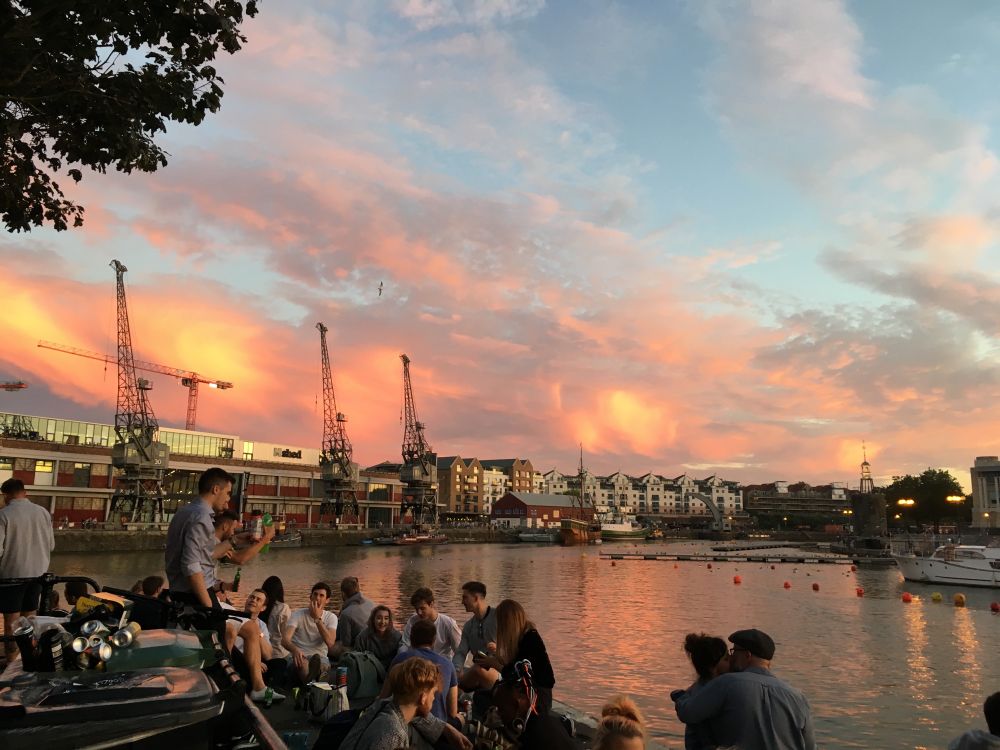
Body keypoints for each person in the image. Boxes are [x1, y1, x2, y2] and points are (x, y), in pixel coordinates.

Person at [673, 628, 816, 750]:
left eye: (734, 651)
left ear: (747, 655)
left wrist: (682, 696)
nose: (731, 656)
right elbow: (810, 746)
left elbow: (687, 713)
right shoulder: (798, 697)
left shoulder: (727, 683)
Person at [339, 657, 471, 750]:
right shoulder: (393, 735)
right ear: (423, 697)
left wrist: (448, 729)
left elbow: (419, 719)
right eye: (433, 693)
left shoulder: (388, 706)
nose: (434, 699)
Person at [164, 467, 237, 608]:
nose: (228, 499)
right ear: (216, 490)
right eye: (227, 493)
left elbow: (206, 554)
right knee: (219, 627)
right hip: (194, 593)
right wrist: (208, 605)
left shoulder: (184, 511)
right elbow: (191, 564)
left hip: (178, 590)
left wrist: (235, 540)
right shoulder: (201, 517)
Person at [0, 478, 55, 658]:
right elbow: (51, 545)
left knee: (11, 622)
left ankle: (10, 662)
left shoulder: (4, 515)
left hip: (11, 576)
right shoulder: (43, 513)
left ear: (6, 496)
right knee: (30, 618)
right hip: (38, 575)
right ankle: (28, 659)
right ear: (25, 493)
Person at [475, 599, 555, 716]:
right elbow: (515, 666)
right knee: (481, 695)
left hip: (535, 700)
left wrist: (493, 663)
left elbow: (514, 674)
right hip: (526, 695)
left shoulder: (530, 640)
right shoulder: (525, 637)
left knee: (481, 699)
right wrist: (498, 656)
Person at [385, 618, 460, 725]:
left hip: (404, 722)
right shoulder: (448, 664)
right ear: (434, 640)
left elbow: (384, 695)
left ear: (411, 638)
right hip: (437, 728)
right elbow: (453, 712)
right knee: (459, 719)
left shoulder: (399, 659)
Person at [491, 660, 573, 750]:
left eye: (501, 709)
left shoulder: (533, 736)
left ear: (519, 701)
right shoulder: (549, 721)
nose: (499, 714)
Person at [225, 588, 286, 704]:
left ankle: (267, 689)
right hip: (238, 660)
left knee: (280, 663)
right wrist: (256, 663)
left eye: (258, 599)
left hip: (256, 663)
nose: (253, 600)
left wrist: (257, 632)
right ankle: (267, 689)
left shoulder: (262, 625)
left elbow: (268, 654)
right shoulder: (234, 616)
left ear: (263, 608)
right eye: (251, 597)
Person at [670, 633, 729, 750]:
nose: (731, 661)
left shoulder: (700, 688)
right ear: (712, 667)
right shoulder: (706, 693)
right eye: (726, 659)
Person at [282, 581, 338, 684]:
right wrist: (294, 650)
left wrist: (317, 619)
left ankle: (309, 684)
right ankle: (313, 685)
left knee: (321, 665)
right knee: (303, 664)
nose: (317, 598)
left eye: (321, 596)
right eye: (315, 594)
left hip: (320, 657)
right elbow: (285, 640)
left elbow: (330, 642)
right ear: (310, 597)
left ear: (327, 600)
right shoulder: (297, 615)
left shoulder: (331, 617)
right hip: (299, 657)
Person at [453, 581, 498, 691]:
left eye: (465, 597)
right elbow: (461, 652)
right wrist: (455, 670)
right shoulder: (468, 626)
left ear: (476, 598)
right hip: (477, 672)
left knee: (477, 669)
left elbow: (512, 644)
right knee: (449, 674)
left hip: (499, 671)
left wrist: (498, 648)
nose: (462, 602)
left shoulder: (498, 616)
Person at [402, 587, 461, 661]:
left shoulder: (448, 623)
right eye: (416, 609)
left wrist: (456, 668)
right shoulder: (412, 621)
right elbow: (404, 644)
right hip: (419, 664)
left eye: (422, 608)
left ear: (431, 604)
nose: (419, 612)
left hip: (441, 664)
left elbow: (460, 651)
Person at [355, 605, 403, 672]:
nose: (382, 622)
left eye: (386, 618)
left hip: (390, 671)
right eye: (379, 618)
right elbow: (358, 658)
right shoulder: (362, 637)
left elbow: (398, 659)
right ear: (373, 620)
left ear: (390, 620)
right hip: (369, 671)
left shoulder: (397, 637)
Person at [337, 576, 375, 648]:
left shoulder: (346, 614)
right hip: (375, 644)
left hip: (359, 649)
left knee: (331, 646)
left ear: (343, 593)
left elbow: (345, 643)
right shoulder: (371, 603)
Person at [260, 575, 292, 659]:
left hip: (261, 652)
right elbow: (286, 637)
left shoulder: (260, 606)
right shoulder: (283, 608)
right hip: (279, 653)